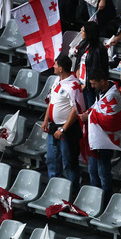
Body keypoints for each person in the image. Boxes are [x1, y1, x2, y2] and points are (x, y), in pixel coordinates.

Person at [42, 56, 84, 187]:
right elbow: (51, 102)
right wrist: (45, 121)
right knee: (52, 160)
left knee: (69, 162)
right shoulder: (57, 81)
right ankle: (53, 188)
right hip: (53, 128)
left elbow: (75, 110)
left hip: (67, 131)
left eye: (55, 65)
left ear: (61, 68)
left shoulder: (74, 85)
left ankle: (73, 190)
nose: (53, 67)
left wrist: (63, 129)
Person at [85, 69, 121, 197]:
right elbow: (97, 106)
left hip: (106, 139)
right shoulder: (102, 90)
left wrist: (89, 116)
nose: (92, 86)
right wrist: (89, 112)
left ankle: (105, 200)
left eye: (94, 83)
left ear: (102, 82)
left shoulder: (113, 95)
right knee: (92, 170)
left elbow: (109, 118)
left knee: (103, 172)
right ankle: (94, 198)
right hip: (97, 136)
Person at [74, 21, 108, 108]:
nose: (81, 32)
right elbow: (78, 63)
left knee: (90, 108)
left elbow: (99, 69)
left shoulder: (99, 49)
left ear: (89, 33)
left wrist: (86, 84)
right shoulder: (83, 44)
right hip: (80, 81)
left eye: (83, 30)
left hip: (91, 85)